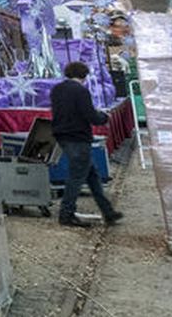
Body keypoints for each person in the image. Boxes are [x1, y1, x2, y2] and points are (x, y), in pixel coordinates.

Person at [50, 60, 123, 227]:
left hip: (62, 135)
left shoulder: (57, 90)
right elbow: (89, 115)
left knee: (92, 175)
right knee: (76, 177)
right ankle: (66, 213)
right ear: (84, 75)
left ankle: (108, 211)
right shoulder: (81, 91)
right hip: (78, 136)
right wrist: (104, 117)